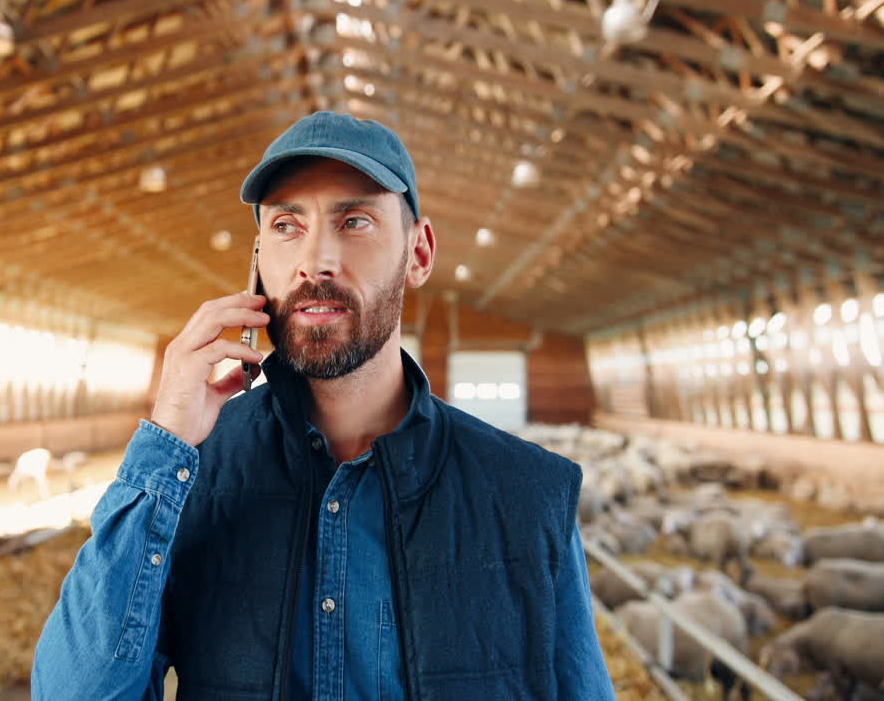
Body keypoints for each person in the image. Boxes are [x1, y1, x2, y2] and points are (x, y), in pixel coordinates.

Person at [31, 111, 615, 700]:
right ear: (258, 260)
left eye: (354, 220)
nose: (317, 262)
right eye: (287, 225)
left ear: (419, 253)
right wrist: (165, 444)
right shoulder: (191, 480)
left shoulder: (526, 495)